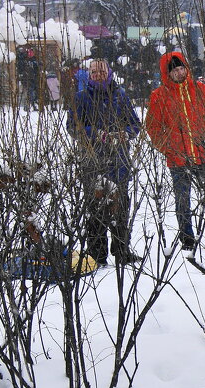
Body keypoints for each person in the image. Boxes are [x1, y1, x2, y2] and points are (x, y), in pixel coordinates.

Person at [144, 51, 205, 254]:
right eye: (174, 70)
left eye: (181, 68)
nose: (179, 72)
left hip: (203, 155)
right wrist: (168, 148)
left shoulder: (201, 90)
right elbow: (153, 127)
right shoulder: (159, 96)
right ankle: (187, 240)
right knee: (183, 201)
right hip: (177, 159)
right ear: (167, 74)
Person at [68, 58, 141, 267]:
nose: (97, 75)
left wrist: (124, 135)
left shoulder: (121, 96)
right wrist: (97, 134)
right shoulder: (81, 98)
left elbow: (135, 125)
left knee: (121, 206)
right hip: (93, 160)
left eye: (101, 71)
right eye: (93, 72)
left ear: (109, 73)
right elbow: (74, 127)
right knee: (95, 207)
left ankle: (121, 249)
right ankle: (96, 253)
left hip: (119, 160)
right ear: (88, 75)